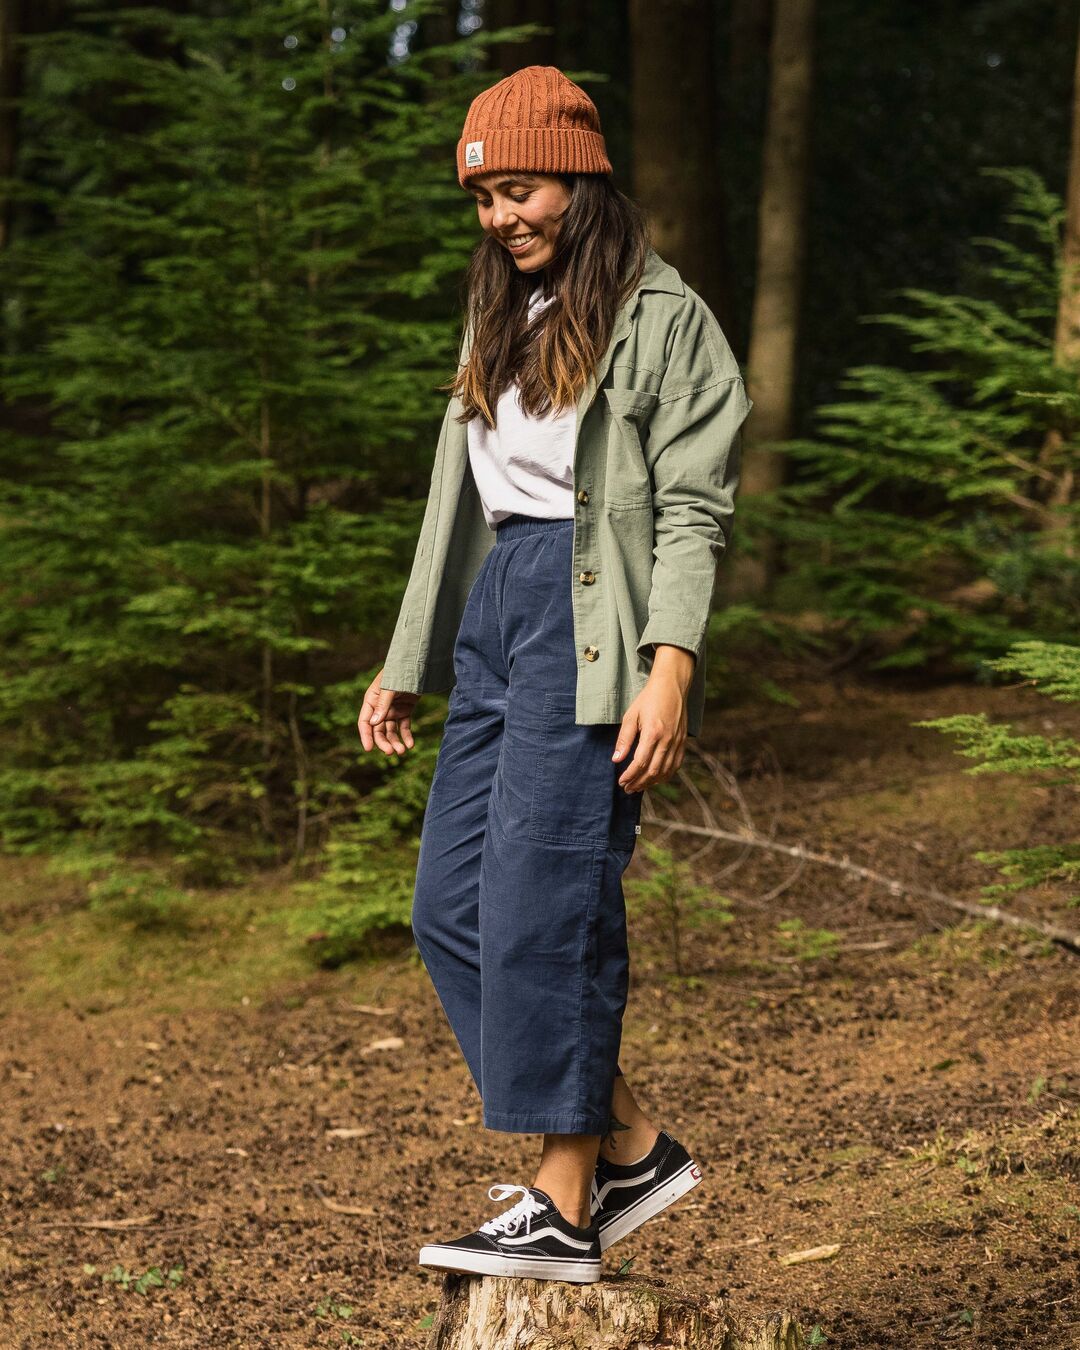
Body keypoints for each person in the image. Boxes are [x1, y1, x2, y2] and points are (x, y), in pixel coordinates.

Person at [358, 65, 753, 1284]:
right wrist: (408, 659)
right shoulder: (500, 308)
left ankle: (566, 1200)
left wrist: (669, 667)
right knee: (450, 910)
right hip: (499, 607)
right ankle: (630, 1142)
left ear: (582, 178)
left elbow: (693, 510)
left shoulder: (666, 318)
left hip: (596, 620)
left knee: (544, 903)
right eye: (484, 199)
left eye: (521, 191)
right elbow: (459, 498)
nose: (501, 217)